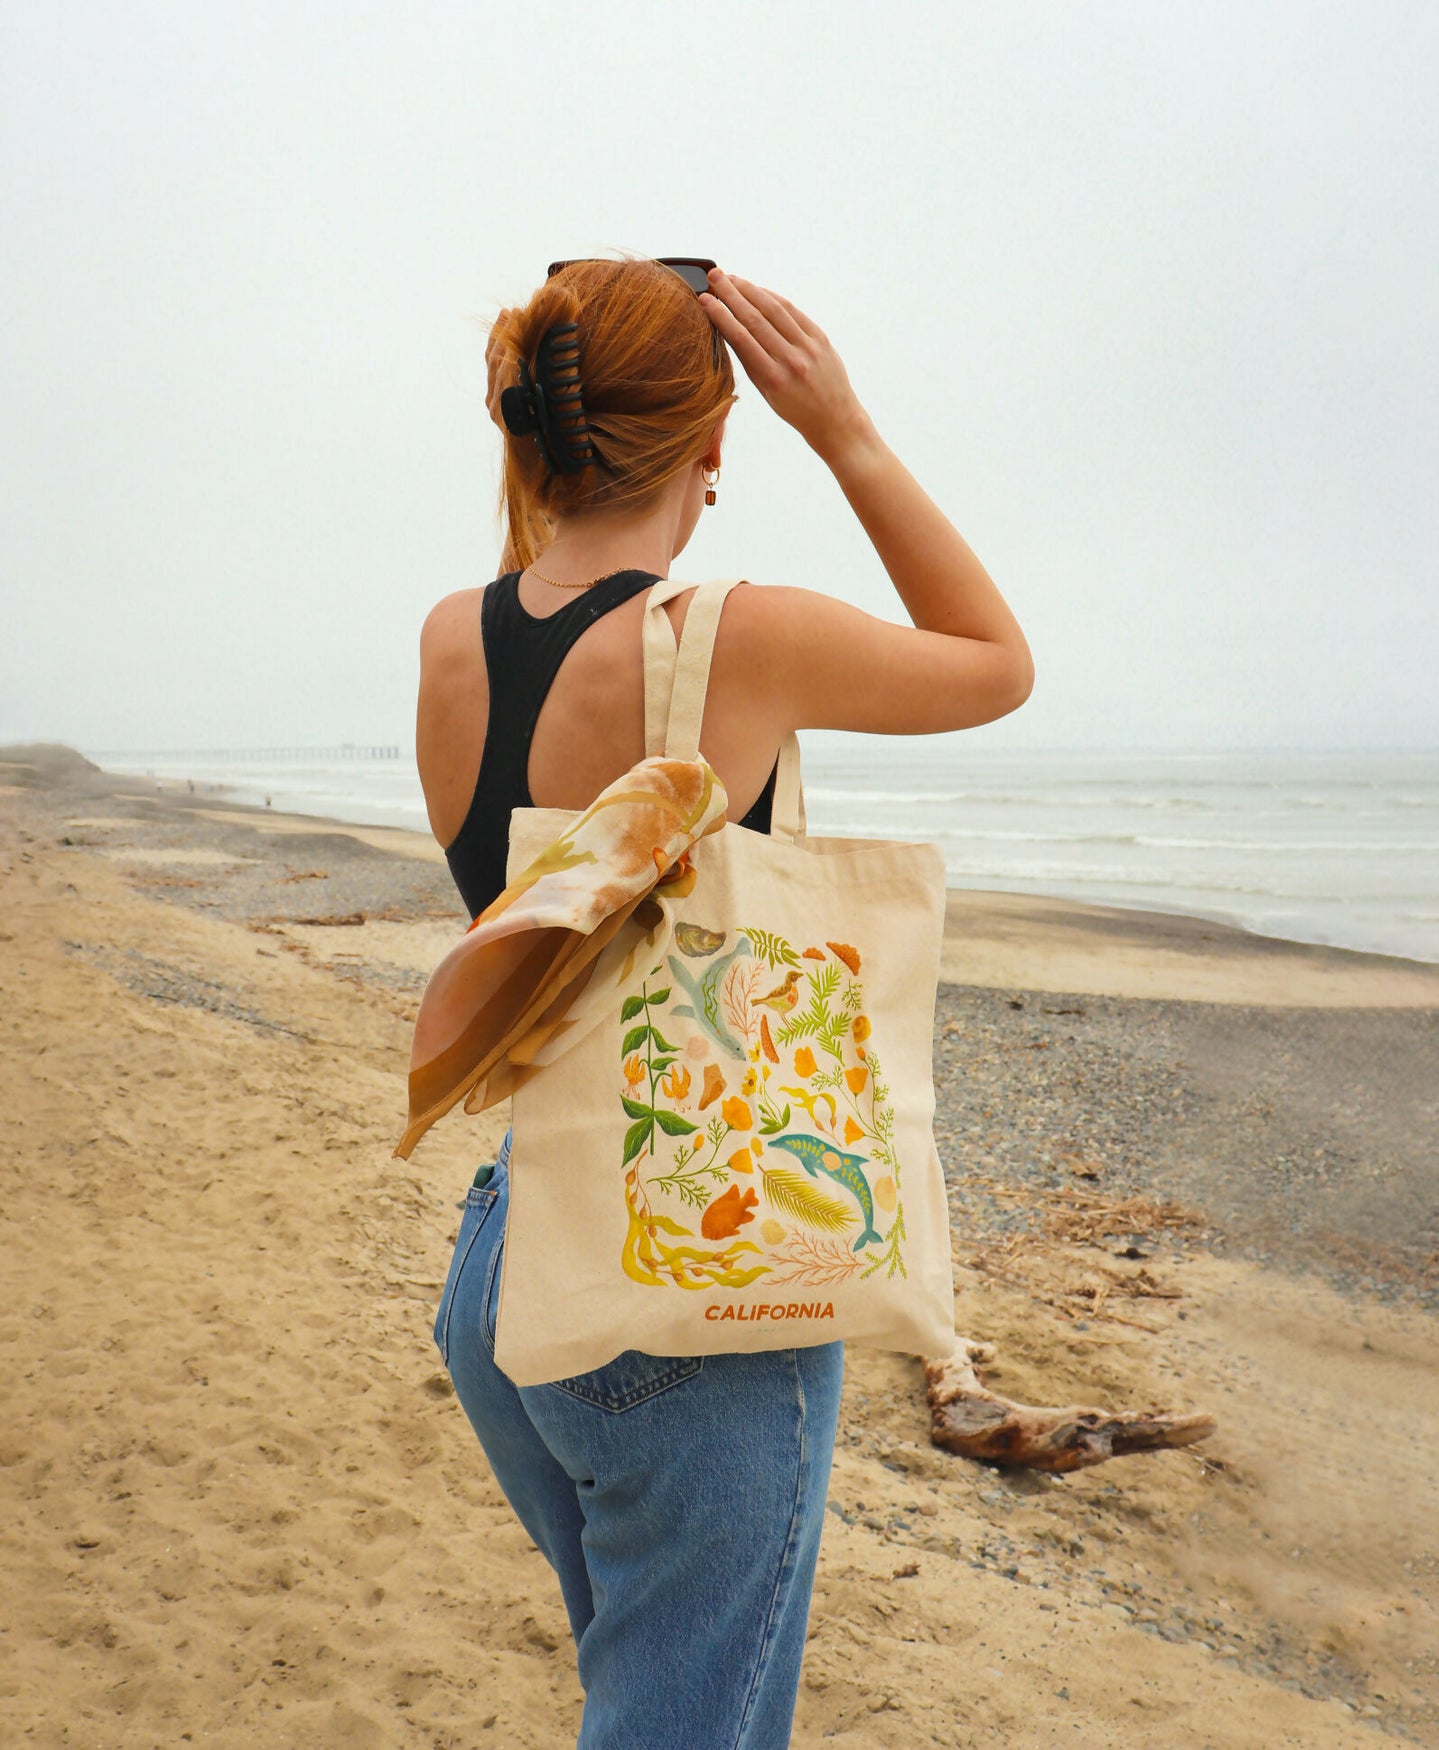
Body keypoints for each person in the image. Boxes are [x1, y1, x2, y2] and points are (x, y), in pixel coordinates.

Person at [416, 257, 1032, 1749]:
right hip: (685, 1277)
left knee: (648, 1686)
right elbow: (997, 665)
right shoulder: (730, 636)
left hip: (511, 1255)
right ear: (709, 442)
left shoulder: (453, 636)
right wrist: (851, 436)